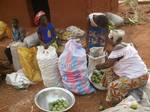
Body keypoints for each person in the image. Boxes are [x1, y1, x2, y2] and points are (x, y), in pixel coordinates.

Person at [96, 29, 148, 104]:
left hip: (140, 77)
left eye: (107, 38)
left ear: (111, 39)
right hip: (139, 73)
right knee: (109, 71)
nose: (106, 40)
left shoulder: (117, 51)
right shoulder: (127, 45)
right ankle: (108, 89)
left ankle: (115, 103)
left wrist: (98, 66)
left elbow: (107, 64)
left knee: (113, 86)